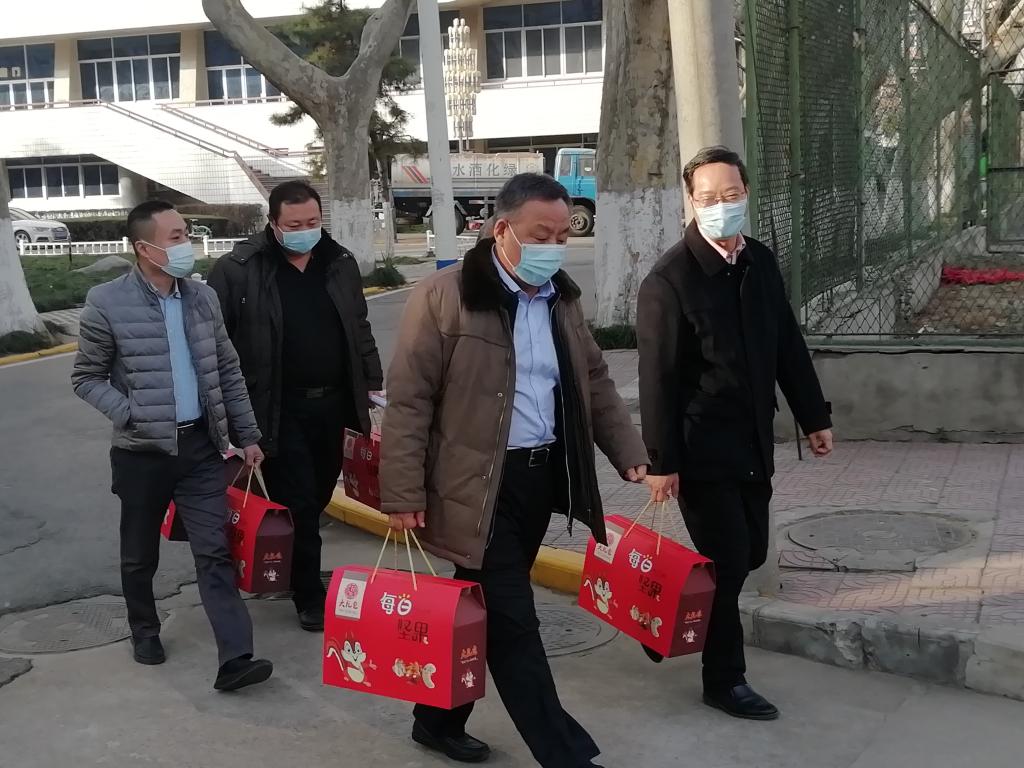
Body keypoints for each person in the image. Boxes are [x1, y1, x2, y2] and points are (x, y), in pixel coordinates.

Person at [381, 173, 649, 767]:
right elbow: (409, 401)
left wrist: (629, 452)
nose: (553, 246)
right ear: (501, 230)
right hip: (476, 485)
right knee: (514, 623)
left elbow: (594, 381)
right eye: (540, 235)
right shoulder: (444, 296)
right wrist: (401, 492)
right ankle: (566, 755)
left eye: (562, 235)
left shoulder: (561, 300)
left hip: (540, 477)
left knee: (482, 610)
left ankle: (436, 719)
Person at [636, 146, 833, 721]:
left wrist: (813, 416)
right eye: (708, 197)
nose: (721, 205)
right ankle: (725, 679)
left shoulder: (759, 262)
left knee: (751, 552)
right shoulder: (669, 280)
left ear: (746, 193)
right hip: (702, 448)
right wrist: (661, 463)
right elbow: (657, 380)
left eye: (731, 194)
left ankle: (667, 613)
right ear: (690, 202)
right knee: (725, 561)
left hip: (753, 440)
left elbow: (786, 344)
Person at [72, 200, 273, 692]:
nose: (188, 244)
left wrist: (247, 435)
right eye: (177, 237)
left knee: (214, 550)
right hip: (141, 453)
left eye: (186, 234)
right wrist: (131, 413)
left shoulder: (202, 298)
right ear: (145, 248)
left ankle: (236, 657)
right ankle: (144, 630)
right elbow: (86, 377)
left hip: (201, 447)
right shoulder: (107, 302)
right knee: (140, 553)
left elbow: (227, 371)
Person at [208, 181, 383, 632]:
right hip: (276, 407)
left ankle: (291, 566)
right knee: (301, 500)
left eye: (313, 222)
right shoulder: (239, 269)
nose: (306, 231)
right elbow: (216, 344)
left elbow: (358, 327)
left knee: (319, 492)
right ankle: (308, 594)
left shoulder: (338, 262)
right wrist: (228, 413)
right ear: (273, 223)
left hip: (333, 403)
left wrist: (373, 386)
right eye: (295, 224)